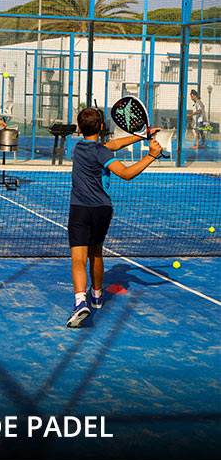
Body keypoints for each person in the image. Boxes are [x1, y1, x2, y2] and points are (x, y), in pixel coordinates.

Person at [66, 107, 162, 328]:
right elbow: (126, 173)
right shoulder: (102, 152)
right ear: (101, 127)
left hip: (79, 209)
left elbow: (114, 145)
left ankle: (81, 302)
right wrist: (151, 155)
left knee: (78, 258)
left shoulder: (78, 148)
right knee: (96, 251)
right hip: (102, 210)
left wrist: (142, 135)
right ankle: (97, 295)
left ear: (79, 129)